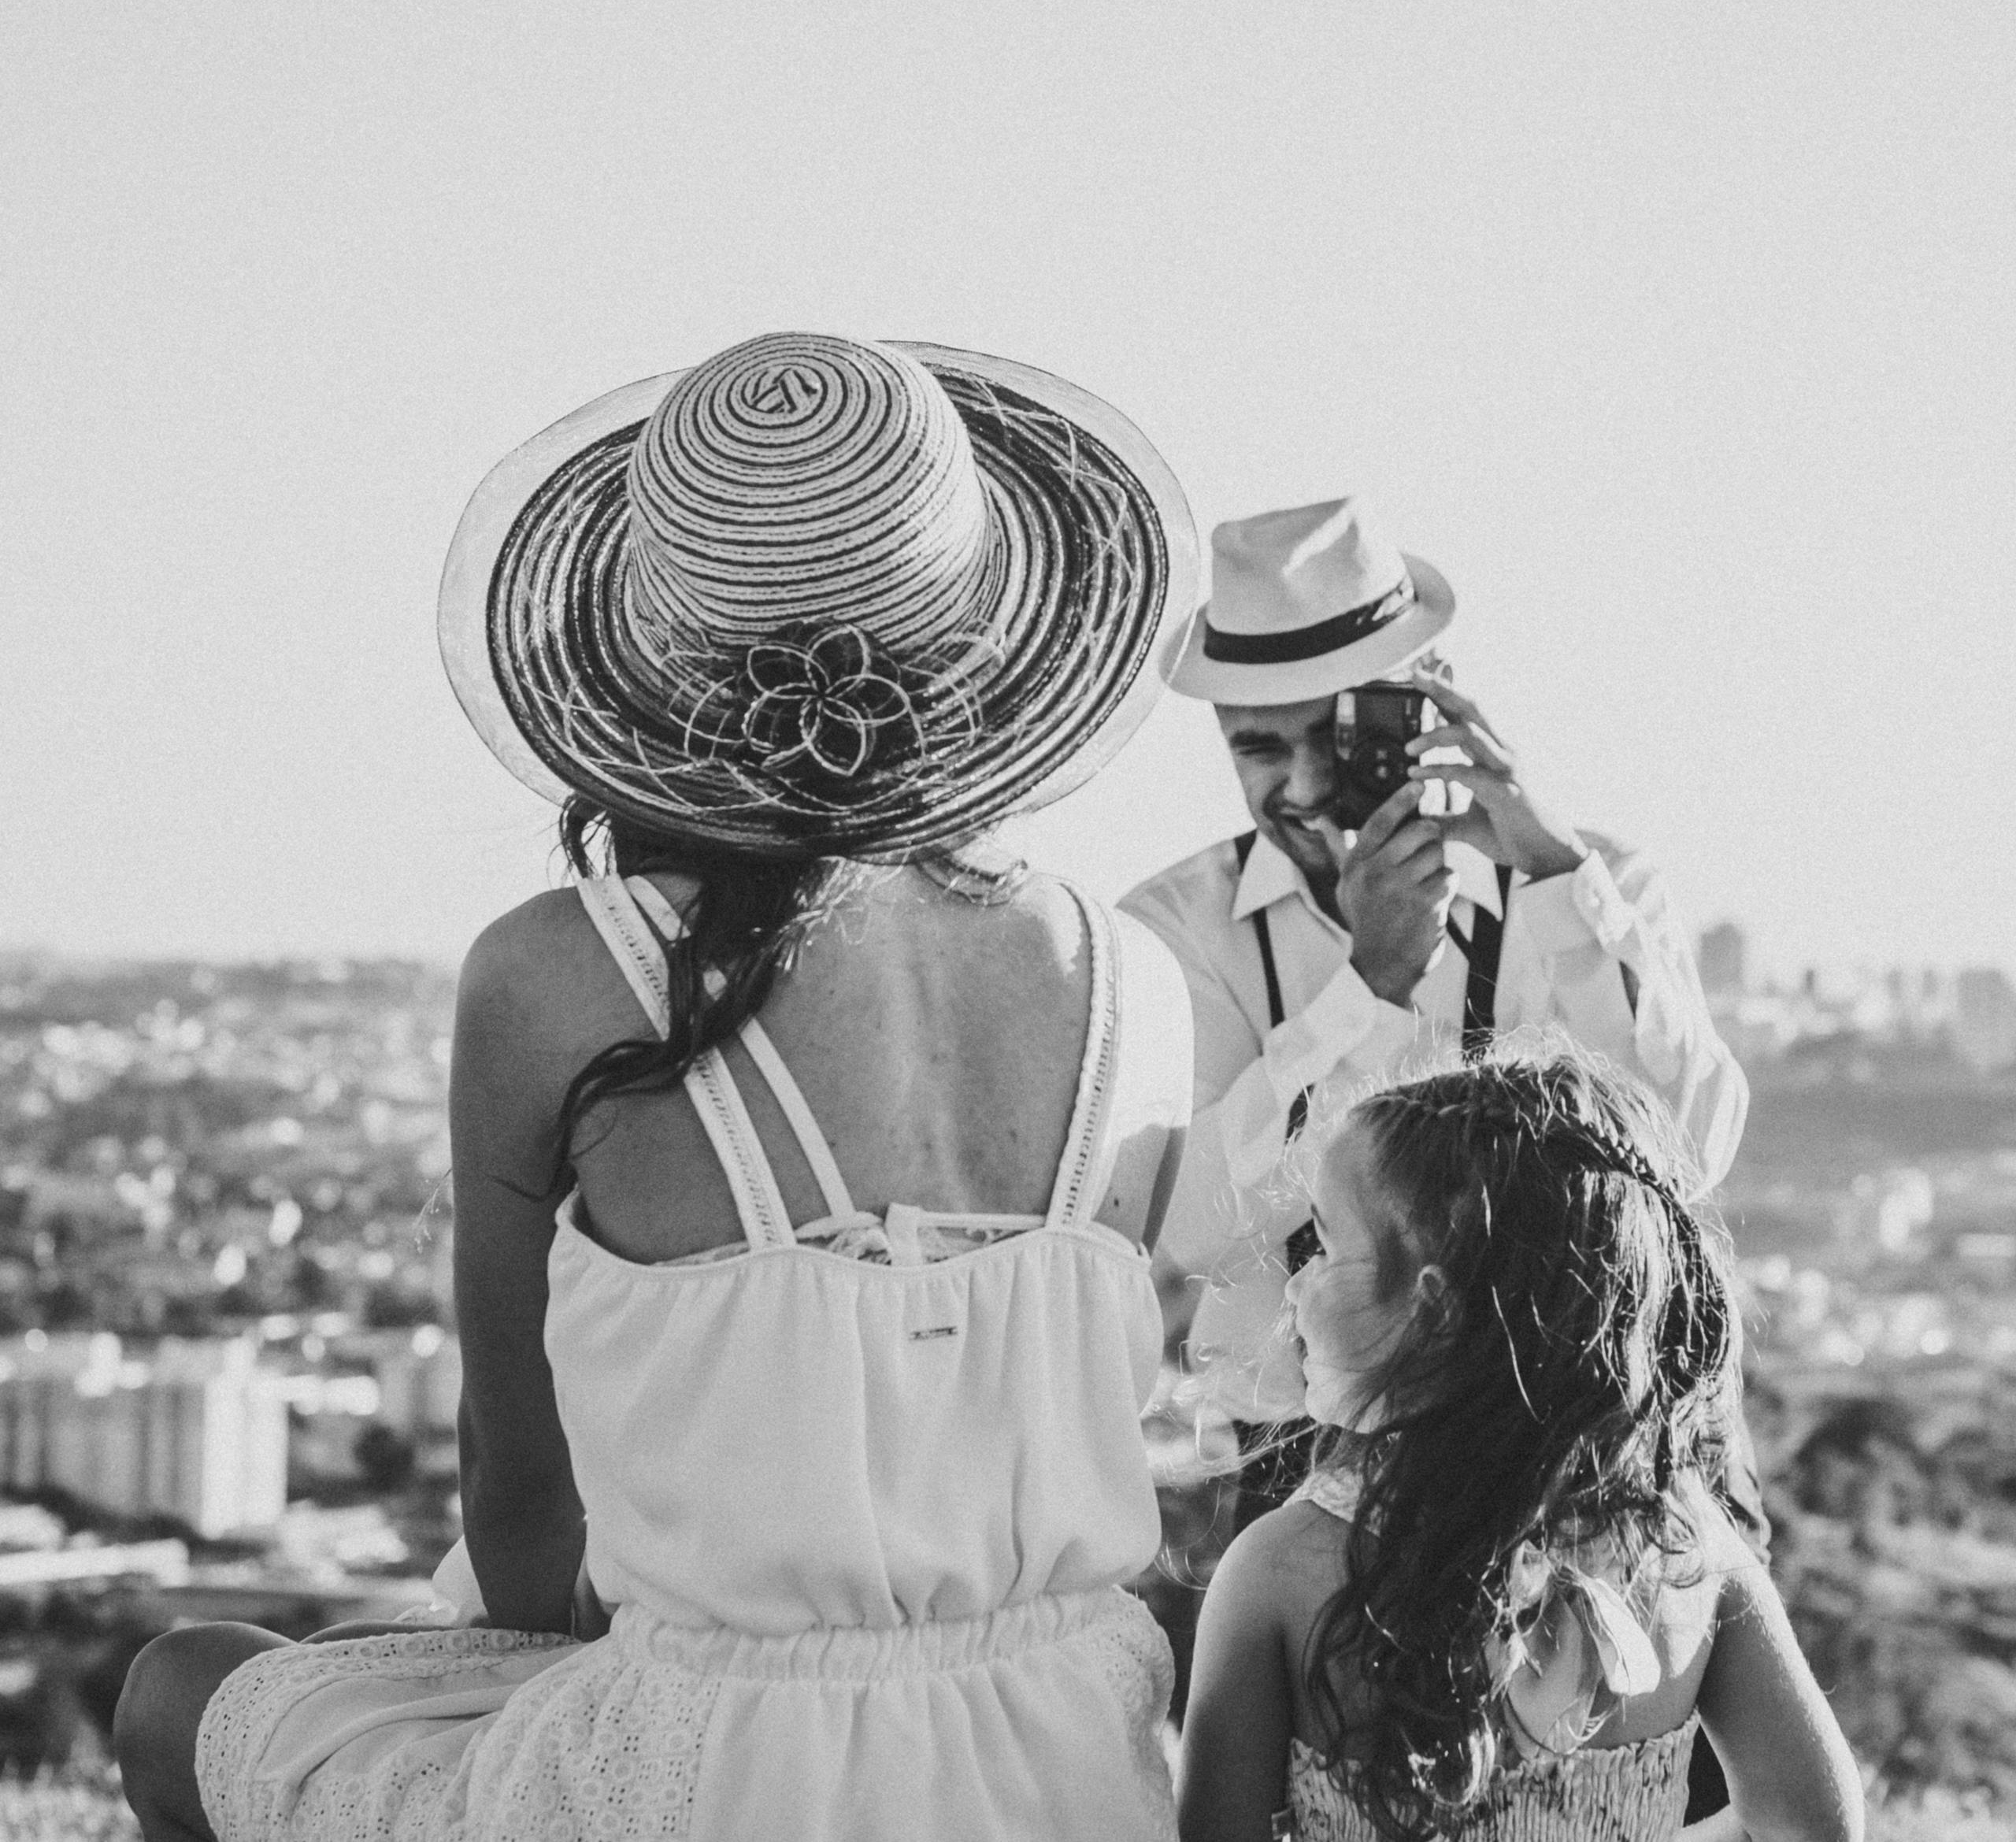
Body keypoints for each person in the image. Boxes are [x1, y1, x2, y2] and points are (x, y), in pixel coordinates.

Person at [113, 332, 1200, 1841]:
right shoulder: (1136, 980)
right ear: (983, 647)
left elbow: (517, 1496)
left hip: (723, 1777)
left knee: (186, 1687)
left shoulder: (560, 976)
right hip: (1076, 1757)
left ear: (650, 673)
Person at [1121, 498, 1751, 1473]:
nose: (1307, 787)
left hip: (1598, 1436)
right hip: (1315, 1449)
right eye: (1259, 749)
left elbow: (1686, 1148)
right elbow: (1190, 1224)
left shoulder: (1595, 887)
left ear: (1434, 697)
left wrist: (1552, 878)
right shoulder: (1180, 927)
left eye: (1338, 739)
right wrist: (1364, 990)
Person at [1177, 1045, 1862, 1842]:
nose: (1295, 1283)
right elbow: (1816, 1826)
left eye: (1324, 1248)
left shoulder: (1277, 1571)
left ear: (1430, 1313)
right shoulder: (1683, 1549)